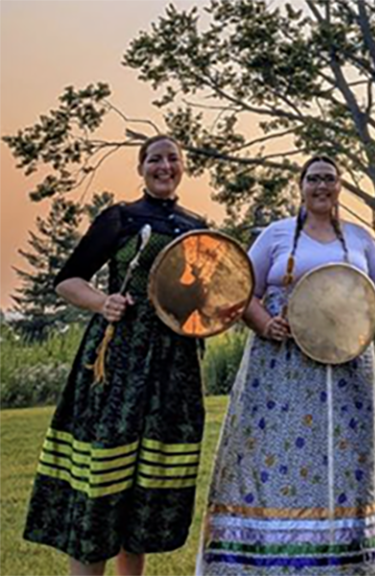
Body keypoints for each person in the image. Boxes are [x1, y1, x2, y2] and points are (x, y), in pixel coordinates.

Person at [23, 135, 208, 576]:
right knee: (102, 479)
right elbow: (68, 280)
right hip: (118, 360)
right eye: (155, 159)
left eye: (173, 159)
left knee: (144, 485)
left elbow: (204, 295)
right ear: (141, 167)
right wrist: (102, 303)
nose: (165, 167)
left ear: (183, 167)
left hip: (173, 368)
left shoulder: (197, 225)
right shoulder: (121, 218)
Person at [198, 156, 375, 575]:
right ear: (300, 185)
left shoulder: (360, 239)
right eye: (314, 178)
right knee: (272, 458)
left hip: (346, 369)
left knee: (343, 462)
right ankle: (267, 562)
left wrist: (357, 307)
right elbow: (237, 289)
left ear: (340, 186)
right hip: (280, 366)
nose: (322, 185)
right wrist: (265, 323)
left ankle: (341, 564)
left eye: (330, 178)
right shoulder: (277, 234)